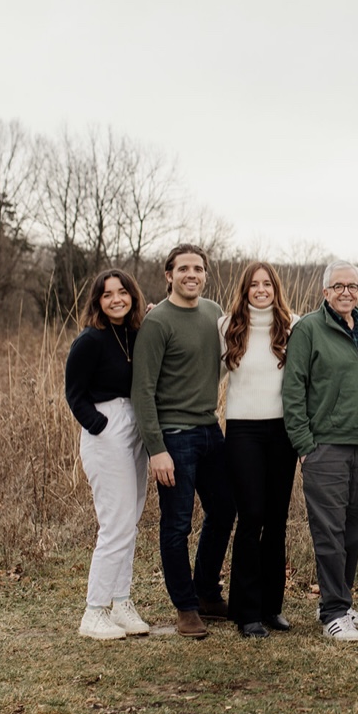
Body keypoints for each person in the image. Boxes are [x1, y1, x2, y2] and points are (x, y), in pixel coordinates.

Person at [131, 244, 236, 639]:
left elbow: (234, 349)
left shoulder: (213, 313)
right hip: (174, 437)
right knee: (176, 524)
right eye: (183, 269)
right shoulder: (157, 322)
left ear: (205, 274)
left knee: (225, 510)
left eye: (198, 268)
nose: (192, 274)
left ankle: (208, 592)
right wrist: (156, 448)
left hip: (210, 430)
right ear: (169, 275)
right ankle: (186, 607)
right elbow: (143, 390)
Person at [282, 261, 358, 642]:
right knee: (328, 529)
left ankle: (343, 599)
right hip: (323, 446)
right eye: (337, 286)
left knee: (354, 526)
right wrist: (304, 445)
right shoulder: (308, 329)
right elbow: (293, 389)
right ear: (325, 292)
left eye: (352, 286)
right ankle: (333, 612)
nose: (345, 292)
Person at [65, 269, 150, 640]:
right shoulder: (90, 340)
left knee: (130, 520)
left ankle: (121, 602)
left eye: (122, 292)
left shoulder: (136, 334)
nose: (116, 299)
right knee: (115, 523)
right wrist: (98, 425)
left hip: (136, 425)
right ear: (97, 301)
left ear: (132, 295)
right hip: (107, 428)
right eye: (107, 294)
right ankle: (94, 610)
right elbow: (74, 392)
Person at [220, 262, 299, 638]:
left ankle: (271, 607)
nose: (262, 289)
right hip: (242, 432)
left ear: (276, 288)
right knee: (251, 517)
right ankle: (246, 610)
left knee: (277, 519)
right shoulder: (227, 327)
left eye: (267, 284)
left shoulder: (292, 326)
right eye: (255, 284)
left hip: (282, 431)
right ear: (245, 289)